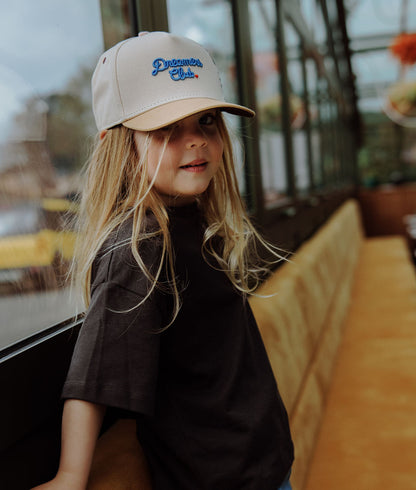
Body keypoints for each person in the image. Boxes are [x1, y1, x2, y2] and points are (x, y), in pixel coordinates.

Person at [33, 31, 294, 490]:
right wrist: (70, 476)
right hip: (218, 477)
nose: (195, 141)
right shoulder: (138, 250)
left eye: (207, 121)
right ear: (120, 145)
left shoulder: (199, 221)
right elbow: (94, 372)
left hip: (266, 459)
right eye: (167, 128)